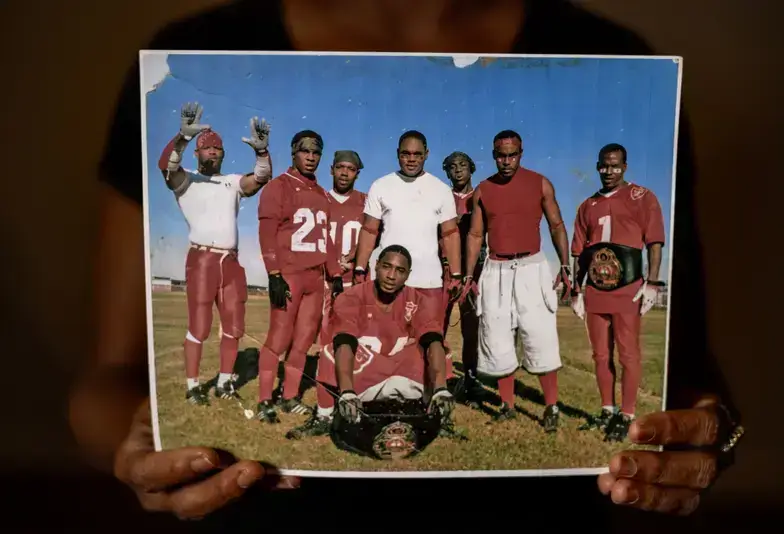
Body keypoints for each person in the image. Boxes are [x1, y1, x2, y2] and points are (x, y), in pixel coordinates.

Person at [71, 0, 744, 527]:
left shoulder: (617, 60)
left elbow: (694, 374)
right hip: (270, 514)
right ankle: (303, 402)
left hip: (529, 518)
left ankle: (456, 401)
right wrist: (132, 451)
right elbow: (103, 384)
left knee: (453, 346)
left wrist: (709, 435)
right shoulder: (200, 49)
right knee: (311, 341)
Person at [156, 102, 272, 405]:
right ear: (197, 152)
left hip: (230, 261)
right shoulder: (187, 181)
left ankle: (223, 382)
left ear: (223, 153)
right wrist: (182, 137)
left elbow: (260, 177)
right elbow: (165, 168)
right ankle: (193, 385)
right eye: (206, 147)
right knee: (200, 326)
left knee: (234, 326)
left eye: (217, 148)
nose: (212, 152)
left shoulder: (232, 181)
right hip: (203, 259)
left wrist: (261, 152)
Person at [463, 130, 569, 431]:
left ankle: (551, 407)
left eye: (512, 155)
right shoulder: (483, 189)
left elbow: (557, 224)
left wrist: (565, 265)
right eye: (500, 155)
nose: (506, 161)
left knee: (539, 336)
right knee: (496, 337)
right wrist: (470, 275)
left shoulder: (540, 183)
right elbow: (474, 235)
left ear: (521, 153)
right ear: (493, 153)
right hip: (495, 268)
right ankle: (507, 405)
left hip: (532, 267)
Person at [319, 244, 455, 458]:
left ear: (408, 275)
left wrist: (440, 386)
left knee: (440, 350)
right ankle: (323, 416)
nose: (391, 276)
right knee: (329, 352)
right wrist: (346, 391)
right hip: (368, 369)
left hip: (402, 367)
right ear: (375, 267)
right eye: (386, 267)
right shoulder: (352, 296)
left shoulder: (419, 300)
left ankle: (436, 414)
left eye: (400, 271)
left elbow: (433, 339)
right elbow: (344, 341)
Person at [570, 143, 667, 442]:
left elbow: (654, 242)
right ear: (597, 166)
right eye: (603, 166)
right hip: (596, 290)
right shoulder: (587, 205)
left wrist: (651, 283)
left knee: (628, 354)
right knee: (600, 355)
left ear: (625, 166)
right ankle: (607, 410)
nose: (608, 172)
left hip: (628, 289)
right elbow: (580, 253)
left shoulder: (642, 196)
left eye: (614, 166)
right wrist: (576, 290)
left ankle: (626, 414)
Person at [352, 131, 463, 390]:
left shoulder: (440, 189)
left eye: (416, 154)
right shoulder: (381, 185)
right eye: (405, 153)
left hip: (428, 280)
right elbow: (369, 230)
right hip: (389, 281)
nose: (411, 159)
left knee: (431, 341)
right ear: (398, 154)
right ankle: (382, 397)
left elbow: (450, 234)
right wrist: (360, 265)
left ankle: (436, 400)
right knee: (387, 341)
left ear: (426, 155)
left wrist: (456, 273)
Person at [256, 130, 344, 423]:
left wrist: (335, 273)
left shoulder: (321, 194)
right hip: (290, 274)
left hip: (315, 278)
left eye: (316, 153)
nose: (310, 157)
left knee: (304, 342)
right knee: (278, 338)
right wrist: (273, 273)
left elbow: (326, 238)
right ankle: (264, 399)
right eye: (305, 151)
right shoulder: (278, 186)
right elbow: (267, 231)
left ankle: (290, 395)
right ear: (294, 152)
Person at [287, 149, 367, 439]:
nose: (345, 173)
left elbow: (375, 237)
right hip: (325, 283)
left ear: (358, 173)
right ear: (332, 169)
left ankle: (352, 404)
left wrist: (356, 260)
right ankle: (323, 410)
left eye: (351, 169)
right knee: (325, 347)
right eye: (341, 168)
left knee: (357, 347)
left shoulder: (366, 202)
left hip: (356, 284)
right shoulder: (319, 198)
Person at [440, 151, 486, 406]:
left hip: (473, 270)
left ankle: (470, 378)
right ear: (446, 171)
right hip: (444, 269)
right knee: (439, 326)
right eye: (452, 167)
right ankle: (443, 378)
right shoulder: (440, 196)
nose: (458, 170)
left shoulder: (481, 195)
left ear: (472, 168)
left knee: (471, 328)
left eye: (463, 165)